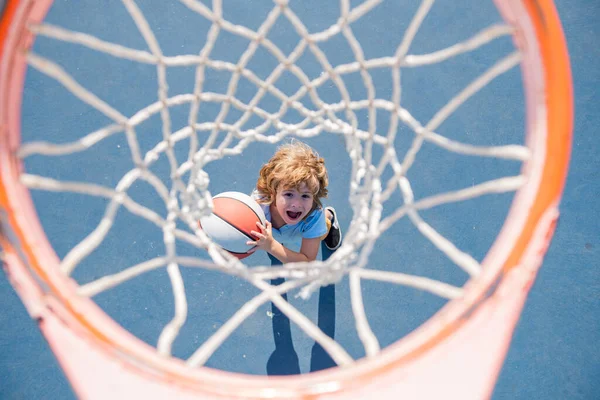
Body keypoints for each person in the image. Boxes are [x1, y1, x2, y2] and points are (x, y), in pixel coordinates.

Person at [247, 140, 342, 263]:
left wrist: (272, 247)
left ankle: (330, 216)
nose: (296, 204)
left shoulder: (313, 217)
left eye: (305, 196)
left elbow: (307, 262)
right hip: (277, 234)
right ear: (273, 192)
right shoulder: (257, 205)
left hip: (302, 230)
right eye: (289, 194)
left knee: (322, 229)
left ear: (314, 197)